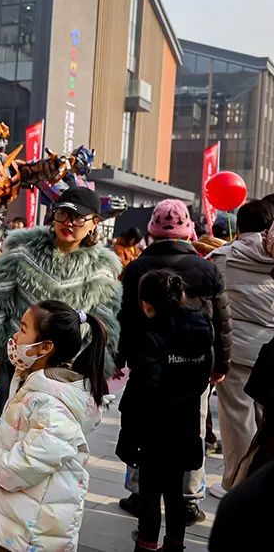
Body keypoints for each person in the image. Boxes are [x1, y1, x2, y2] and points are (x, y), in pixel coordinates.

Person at [116, 198, 232, 524]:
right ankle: (189, 498)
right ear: (188, 231)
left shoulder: (137, 268)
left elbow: (125, 317)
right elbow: (222, 320)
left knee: (142, 424)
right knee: (193, 426)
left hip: (147, 363)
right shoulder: (207, 269)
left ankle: (140, 493)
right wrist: (221, 363)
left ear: (152, 231)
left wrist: (119, 356)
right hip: (194, 364)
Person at [0, 300, 110, 552]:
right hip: (25, 510)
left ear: (45, 347)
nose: (15, 336)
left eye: (23, 329)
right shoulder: (35, 382)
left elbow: (37, 455)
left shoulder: (51, 400)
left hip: (37, 523)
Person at [0, 186, 123, 419]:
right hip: (18, 361)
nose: (68, 223)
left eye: (78, 218)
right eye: (63, 214)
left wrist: (92, 370)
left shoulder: (102, 268)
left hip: (66, 372)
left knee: (50, 432)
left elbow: (103, 325)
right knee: (9, 427)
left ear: (95, 222)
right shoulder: (22, 251)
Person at [116, 271, 212, 552]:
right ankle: (174, 545)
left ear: (147, 305)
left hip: (153, 429)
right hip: (185, 423)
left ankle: (146, 545)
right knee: (175, 493)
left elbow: (137, 393)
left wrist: (128, 437)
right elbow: (203, 377)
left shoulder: (149, 336)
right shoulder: (201, 327)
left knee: (149, 494)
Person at [207, 200, 274, 496]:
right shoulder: (272, 257)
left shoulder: (223, 257)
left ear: (239, 225)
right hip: (269, 349)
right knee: (265, 421)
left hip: (235, 348)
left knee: (237, 419)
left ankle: (237, 484)